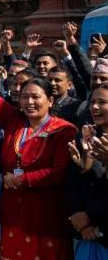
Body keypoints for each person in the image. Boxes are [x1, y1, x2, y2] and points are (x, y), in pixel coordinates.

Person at [0, 40, 76, 260]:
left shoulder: (63, 130)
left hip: (47, 216)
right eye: (24, 97)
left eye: (35, 97)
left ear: (50, 101)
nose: (29, 102)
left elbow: (58, 172)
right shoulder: (14, 120)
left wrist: (22, 180)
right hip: (13, 213)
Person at [66, 84, 108, 257]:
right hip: (86, 235)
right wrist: (81, 221)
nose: (95, 107)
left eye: (102, 102)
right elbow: (73, 182)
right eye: (92, 101)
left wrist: (90, 216)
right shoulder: (86, 137)